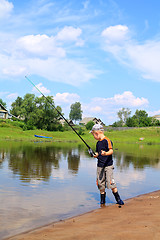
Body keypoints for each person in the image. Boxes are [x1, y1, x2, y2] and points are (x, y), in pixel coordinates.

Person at [90, 123, 124, 205]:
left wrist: (105, 153)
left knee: (111, 183)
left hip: (108, 166)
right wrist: (95, 155)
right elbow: (98, 153)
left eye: (93, 135)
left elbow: (111, 151)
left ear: (97, 133)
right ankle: (102, 201)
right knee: (100, 184)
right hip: (100, 166)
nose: (94, 137)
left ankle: (118, 199)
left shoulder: (107, 140)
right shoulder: (98, 143)